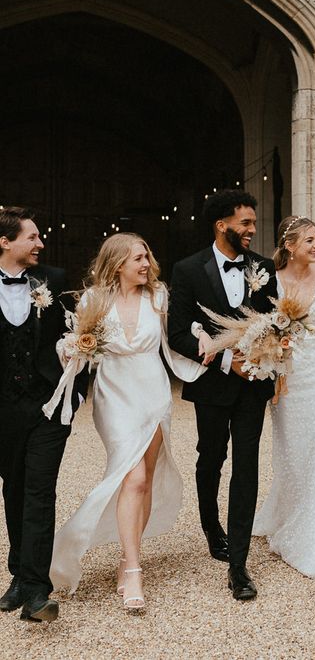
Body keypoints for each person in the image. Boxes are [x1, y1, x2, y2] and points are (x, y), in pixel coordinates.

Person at [48, 233, 205, 611]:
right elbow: (77, 343)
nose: (146, 263)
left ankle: (126, 557)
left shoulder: (159, 297)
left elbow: (177, 335)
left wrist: (201, 337)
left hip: (153, 392)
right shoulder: (93, 301)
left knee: (145, 477)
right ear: (117, 263)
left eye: (147, 256)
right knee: (131, 477)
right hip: (114, 396)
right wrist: (69, 348)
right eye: (138, 257)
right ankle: (134, 569)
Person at [167, 190, 277, 601]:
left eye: (252, 223)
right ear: (221, 225)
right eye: (245, 223)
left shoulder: (264, 268)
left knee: (247, 464)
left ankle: (239, 565)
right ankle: (211, 526)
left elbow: (276, 323)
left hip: (254, 385)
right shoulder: (188, 269)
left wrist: (270, 352)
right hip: (213, 384)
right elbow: (178, 334)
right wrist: (224, 359)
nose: (252, 230)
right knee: (211, 455)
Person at [241, 216, 315, 579]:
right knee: (293, 457)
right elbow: (256, 329)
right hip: (288, 381)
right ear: (289, 245)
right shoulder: (270, 280)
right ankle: (288, 516)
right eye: (309, 239)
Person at [0, 207, 88, 623]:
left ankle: (36, 591)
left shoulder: (54, 279)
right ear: (5, 242)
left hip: (48, 406)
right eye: (32, 237)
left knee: (39, 490)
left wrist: (75, 390)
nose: (40, 244)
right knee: (13, 488)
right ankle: (20, 574)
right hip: (2, 409)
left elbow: (76, 334)